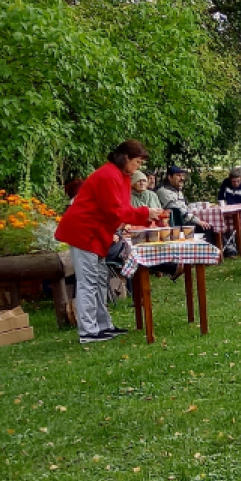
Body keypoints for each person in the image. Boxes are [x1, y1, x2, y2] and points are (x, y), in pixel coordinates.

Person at [56, 140, 163, 344]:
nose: (138, 167)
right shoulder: (109, 175)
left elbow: (120, 209)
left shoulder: (121, 176)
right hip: (84, 232)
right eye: (137, 162)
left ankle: (103, 326)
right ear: (125, 158)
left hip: (96, 232)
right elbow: (114, 211)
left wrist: (142, 215)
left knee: (98, 279)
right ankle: (88, 331)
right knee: (88, 281)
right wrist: (145, 213)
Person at [155, 166, 202, 230]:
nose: (182, 178)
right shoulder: (163, 191)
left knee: (207, 225)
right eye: (178, 175)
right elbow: (179, 210)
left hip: (183, 221)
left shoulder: (178, 191)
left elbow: (185, 207)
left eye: (182, 175)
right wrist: (198, 221)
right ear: (169, 177)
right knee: (205, 228)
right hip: (172, 224)